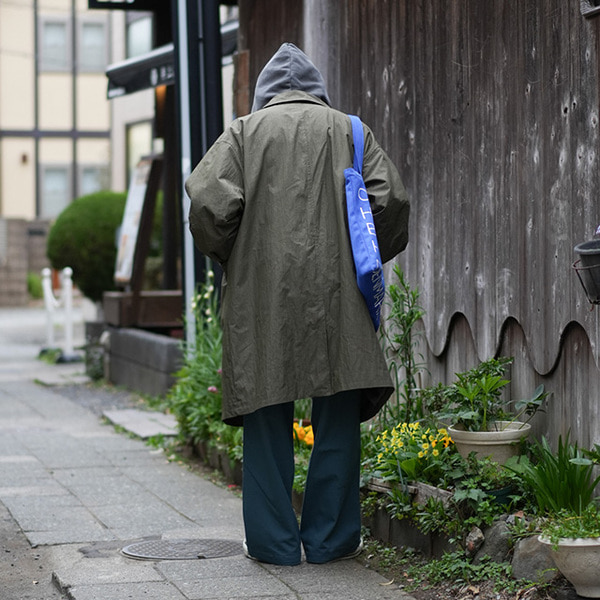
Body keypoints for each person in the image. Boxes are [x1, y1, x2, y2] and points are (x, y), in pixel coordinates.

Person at [186, 42, 410, 566]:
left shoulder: (243, 133)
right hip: (340, 291)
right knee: (337, 414)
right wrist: (365, 251)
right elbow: (391, 201)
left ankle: (273, 544)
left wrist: (235, 255)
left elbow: (207, 204)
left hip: (261, 295)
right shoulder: (351, 130)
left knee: (266, 414)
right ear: (317, 92)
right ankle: (332, 541)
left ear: (266, 95)